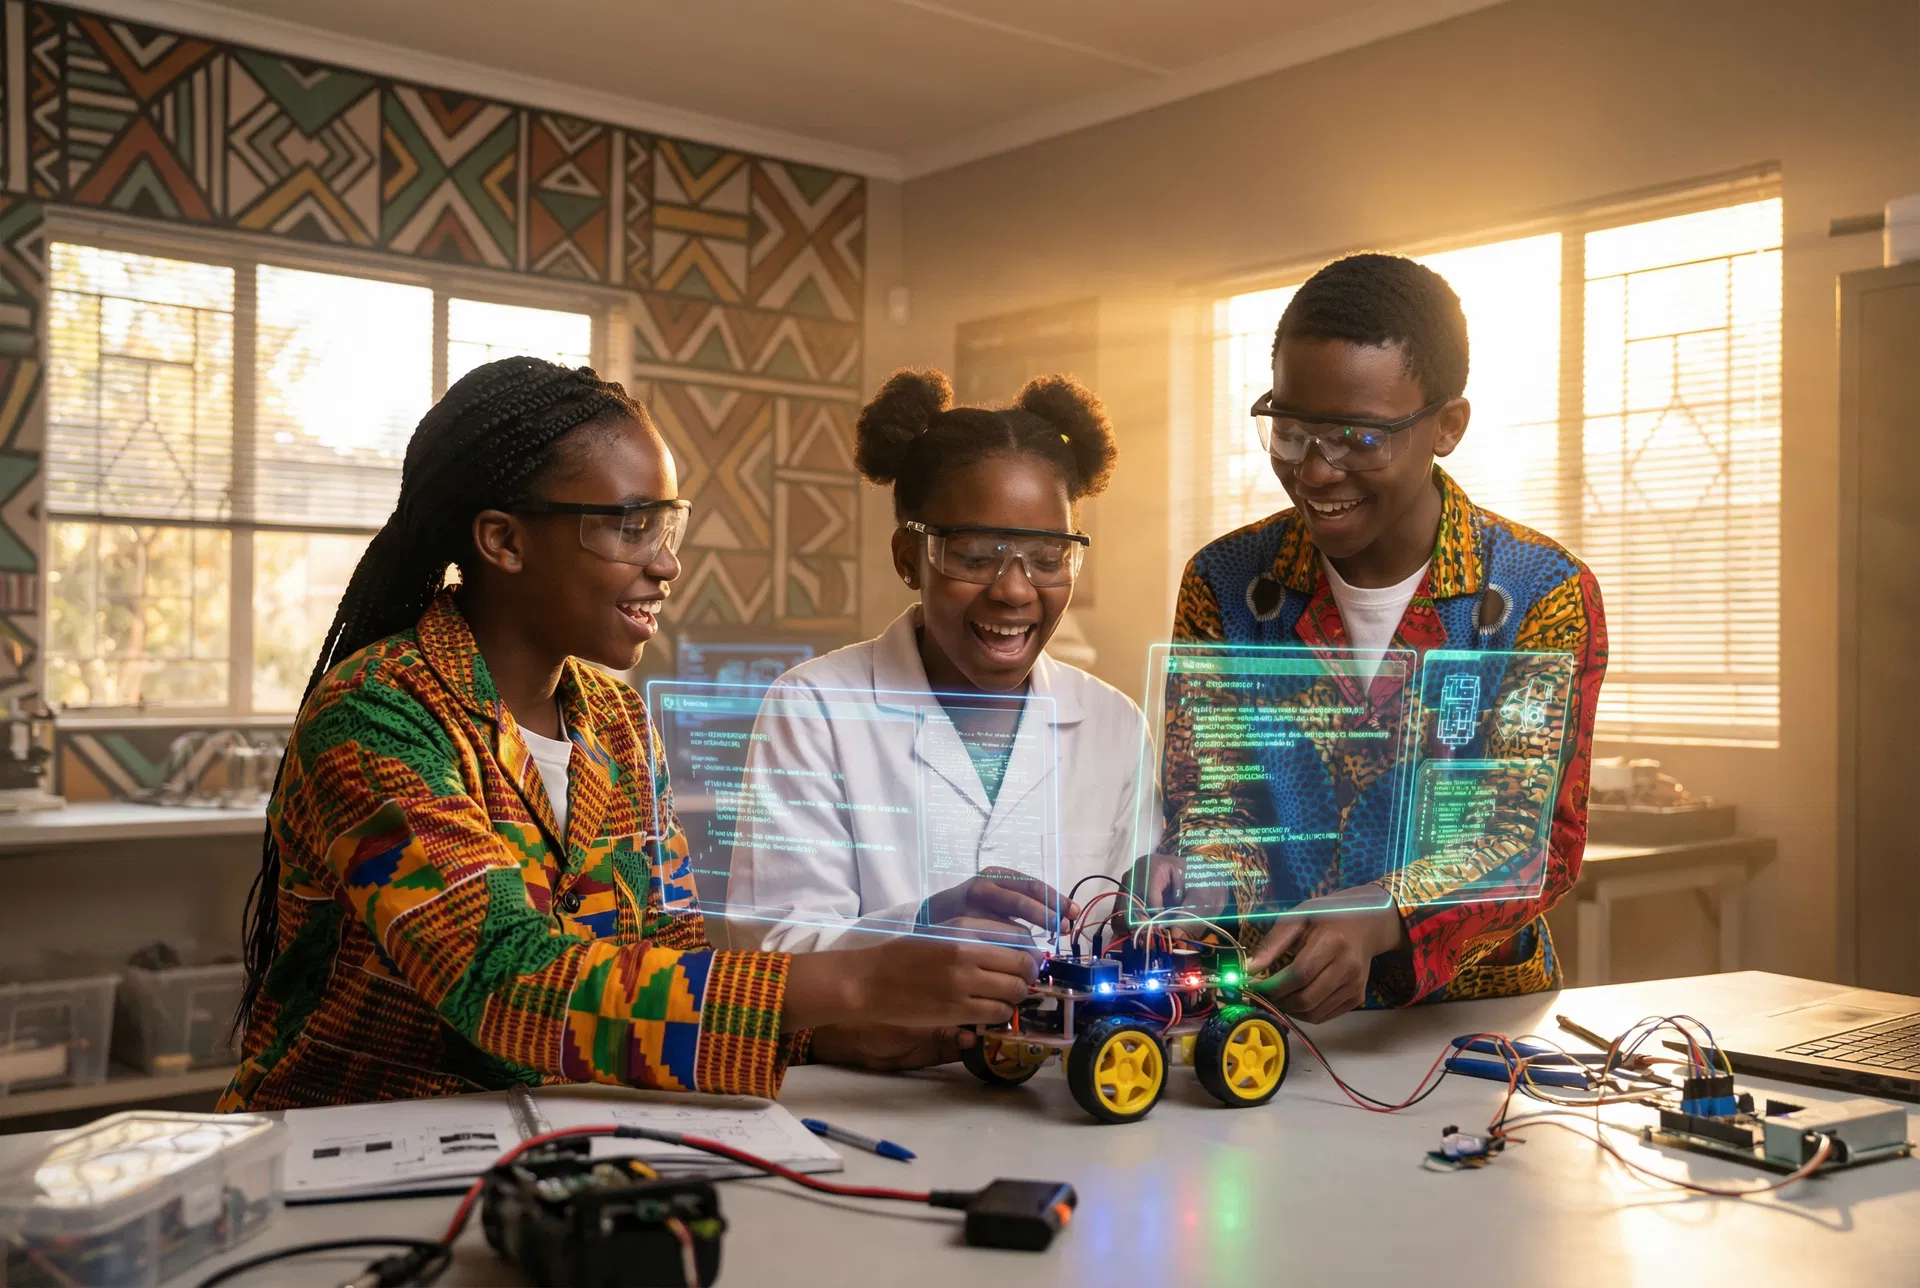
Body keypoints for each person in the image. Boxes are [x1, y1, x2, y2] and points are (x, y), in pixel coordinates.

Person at [220, 358, 1040, 1111]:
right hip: (349, 1155)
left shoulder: (617, 724)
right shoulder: (376, 715)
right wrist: (857, 983)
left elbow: (667, 963)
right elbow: (506, 983)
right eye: (629, 528)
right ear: (504, 540)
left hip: (560, 1139)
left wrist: (836, 1032)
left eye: (666, 527)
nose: (667, 564)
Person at [1158, 253, 1607, 1024]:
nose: (1316, 472)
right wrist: (1202, 879)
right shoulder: (1225, 583)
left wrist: (1386, 911)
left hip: (1471, 1023)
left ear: (1448, 426)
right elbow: (1215, 801)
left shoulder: (1541, 592)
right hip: (1269, 1014)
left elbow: (1530, 842)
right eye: (1291, 432)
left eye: (1359, 439)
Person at [728, 369, 1151, 958]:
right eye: (975, 557)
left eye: (1048, 557)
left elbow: (1131, 930)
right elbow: (772, 946)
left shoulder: (1115, 724)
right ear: (909, 558)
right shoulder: (815, 708)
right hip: (881, 1026)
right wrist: (924, 927)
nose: (1015, 590)